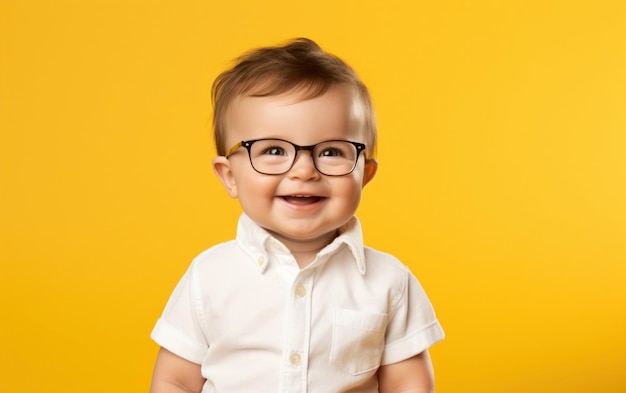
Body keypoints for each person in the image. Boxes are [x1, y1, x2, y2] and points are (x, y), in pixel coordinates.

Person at [149, 37, 444, 393]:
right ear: (230, 176)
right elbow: (175, 380)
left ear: (364, 174)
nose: (304, 171)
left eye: (332, 152)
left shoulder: (390, 281)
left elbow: (408, 383)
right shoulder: (208, 276)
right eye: (274, 149)